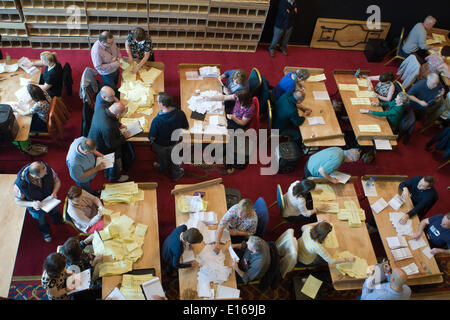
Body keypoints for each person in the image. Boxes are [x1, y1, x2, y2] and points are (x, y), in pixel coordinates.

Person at [14, 161, 63, 242]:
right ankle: (46, 232)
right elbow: (18, 201)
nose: (47, 172)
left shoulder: (47, 169)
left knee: (55, 211)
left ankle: (57, 220)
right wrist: (32, 204)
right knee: (41, 221)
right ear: (34, 176)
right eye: (44, 174)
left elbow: (57, 181)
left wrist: (54, 192)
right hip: (35, 207)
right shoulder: (20, 184)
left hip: (50, 200)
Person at [148, 92, 189, 181]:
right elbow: (185, 127)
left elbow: (152, 135)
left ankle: (163, 169)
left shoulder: (157, 120)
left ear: (161, 104)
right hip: (175, 142)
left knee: (162, 158)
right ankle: (176, 175)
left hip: (161, 145)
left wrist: (151, 140)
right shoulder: (180, 113)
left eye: (157, 101)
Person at [88, 101, 130, 182]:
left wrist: (119, 124)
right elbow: (111, 145)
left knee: (107, 162)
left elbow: (113, 119)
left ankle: (107, 173)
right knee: (114, 160)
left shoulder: (102, 108)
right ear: (118, 115)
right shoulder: (108, 127)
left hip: (93, 139)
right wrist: (124, 137)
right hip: (101, 146)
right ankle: (115, 177)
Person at [91, 31, 122, 97]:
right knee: (111, 88)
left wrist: (119, 56)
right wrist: (113, 65)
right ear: (102, 42)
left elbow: (117, 49)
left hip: (116, 67)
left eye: (113, 42)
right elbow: (98, 66)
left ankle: (115, 91)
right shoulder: (96, 51)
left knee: (115, 83)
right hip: (107, 73)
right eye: (110, 43)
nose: (112, 44)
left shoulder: (111, 41)